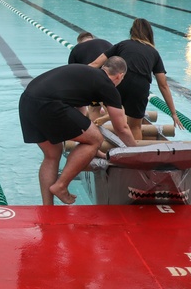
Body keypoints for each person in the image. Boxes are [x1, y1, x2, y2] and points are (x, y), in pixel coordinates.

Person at [18, 59, 138, 205]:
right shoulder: (107, 85)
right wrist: (137, 154)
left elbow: (80, 116)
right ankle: (61, 185)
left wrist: (94, 150)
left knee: (52, 155)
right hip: (48, 104)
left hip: (27, 101)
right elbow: (122, 128)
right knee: (95, 139)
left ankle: (47, 207)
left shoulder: (86, 74)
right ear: (119, 76)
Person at [89, 18, 182, 139]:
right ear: (150, 34)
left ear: (132, 32)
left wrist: (76, 76)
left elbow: (95, 64)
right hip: (140, 87)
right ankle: (134, 153)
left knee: (111, 110)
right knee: (135, 127)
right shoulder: (154, 53)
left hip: (120, 81)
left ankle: (110, 117)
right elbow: (163, 85)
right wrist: (173, 113)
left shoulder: (123, 44)